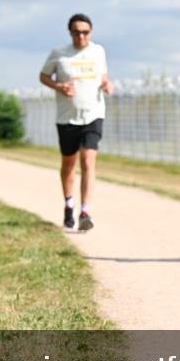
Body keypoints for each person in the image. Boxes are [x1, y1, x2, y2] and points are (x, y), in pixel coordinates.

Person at [39, 13, 113, 231]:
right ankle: (69, 204)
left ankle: (85, 212)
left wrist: (108, 85)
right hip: (67, 117)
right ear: (70, 33)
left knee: (88, 161)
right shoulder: (59, 54)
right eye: (77, 32)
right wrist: (58, 87)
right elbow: (43, 76)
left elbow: (104, 76)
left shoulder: (98, 51)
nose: (81, 36)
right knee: (68, 164)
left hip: (93, 114)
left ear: (90, 32)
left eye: (86, 32)